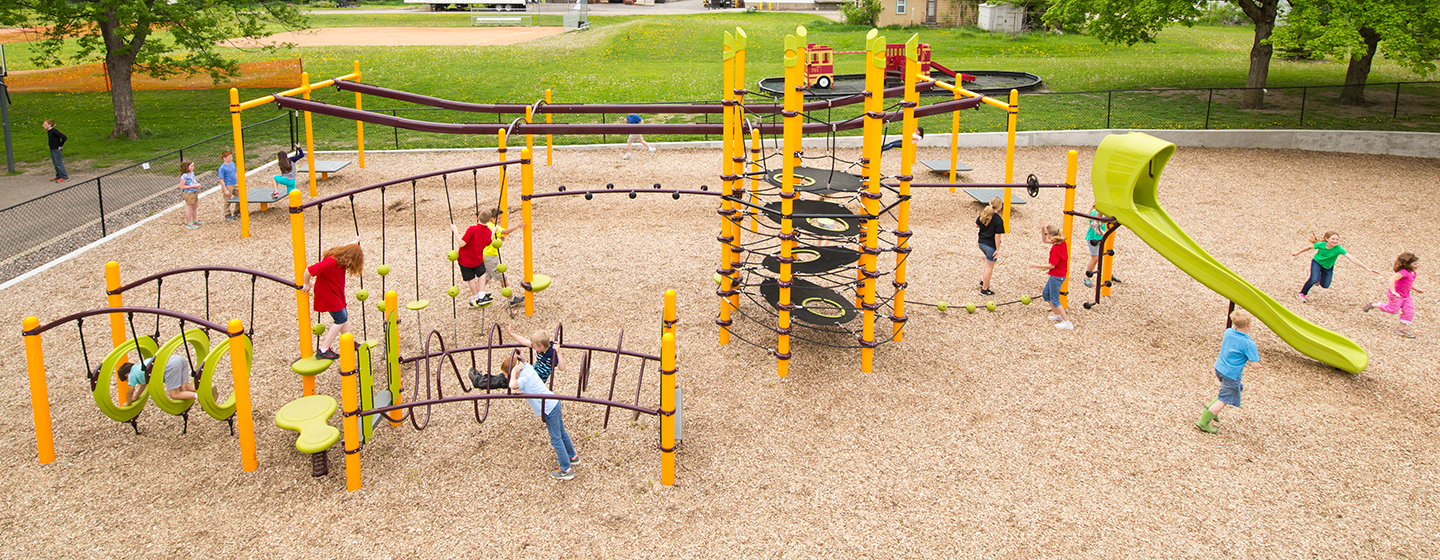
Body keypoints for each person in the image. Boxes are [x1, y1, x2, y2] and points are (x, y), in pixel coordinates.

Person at [504, 350, 577, 480]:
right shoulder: (528, 368)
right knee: (561, 431)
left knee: (556, 439)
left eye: (506, 374)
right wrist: (521, 360)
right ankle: (572, 456)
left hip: (549, 408)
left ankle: (566, 470)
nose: (506, 377)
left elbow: (512, 385)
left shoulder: (523, 378)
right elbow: (525, 363)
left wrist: (513, 373)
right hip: (554, 402)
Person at [1196, 310, 1260, 434]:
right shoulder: (1249, 343)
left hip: (1220, 368)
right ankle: (1204, 421)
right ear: (1249, 325)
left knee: (1232, 389)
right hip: (1231, 374)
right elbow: (1255, 364)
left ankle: (1212, 410)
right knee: (1226, 397)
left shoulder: (1229, 332)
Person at [303, 237, 364, 360]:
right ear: (348, 257)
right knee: (340, 319)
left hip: (336, 292)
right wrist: (306, 283)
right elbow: (308, 270)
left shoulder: (340, 257)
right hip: (328, 294)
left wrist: (354, 240)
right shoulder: (330, 262)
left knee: (344, 315)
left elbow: (345, 247)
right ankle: (324, 349)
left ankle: (349, 341)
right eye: (353, 261)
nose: (351, 264)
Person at [1292, 230, 1378, 302]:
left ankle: (1318, 279)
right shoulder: (1321, 245)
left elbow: (1352, 258)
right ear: (1327, 239)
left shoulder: (1338, 249)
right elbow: (1309, 247)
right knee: (1313, 278)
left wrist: (1367, 268)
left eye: (1337, 239)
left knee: (1325, 285)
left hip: (1328, 267)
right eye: (1333, 239)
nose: (1335, 241)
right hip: (1317, 262)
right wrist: (1298, 252)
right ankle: (1302, 293)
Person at [1363, 252, 1423, 338]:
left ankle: (1402, 329)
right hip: (1396, 295)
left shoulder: (1412, 272)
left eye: (1417, 263)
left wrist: (1416, 289)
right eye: (1415, 264)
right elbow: (1392, 279)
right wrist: (1393, 291)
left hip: (1406, 295)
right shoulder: (1403, 272)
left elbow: (1407, 283)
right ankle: (1373, 304)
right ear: (1407, 264)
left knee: (1409, 311)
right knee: (1392, 310)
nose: (1417, 265)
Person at [478, 208, 526, 306]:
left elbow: (493, 236)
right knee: (503, 278)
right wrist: (518, 226)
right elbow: (506, 231)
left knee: (486, 277)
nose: (500, 221)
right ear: (491, 218)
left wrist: (499, 237)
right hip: (491, 257)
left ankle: (478, 297)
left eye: (500, 218)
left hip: (485, 256)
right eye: (498, 219)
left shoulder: (487, 225)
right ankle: (512, 299)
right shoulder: (495, 227)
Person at [1029, 224, 1072, 330]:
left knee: (1054, 299)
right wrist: (1042, 229)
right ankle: (1057, 314)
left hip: (1057, 275)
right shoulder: (1060, 242)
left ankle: (1067, 322)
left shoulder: (1056, 248)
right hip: (1057, 274)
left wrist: (1035, 265)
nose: (1046, 235)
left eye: (1047, 234)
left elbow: (1051, 265)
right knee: (1046, 294)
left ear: (1052, 235)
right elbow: (1044, 241)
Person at [451, 212, 493, 308]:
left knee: (471, 279)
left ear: (478, 218)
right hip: (477, 259)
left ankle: (477, 297)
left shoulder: (472, 229)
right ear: (490, 220)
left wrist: (455, 230)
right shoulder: (488, 232)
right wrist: (493, 231)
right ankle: (481, 295)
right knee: (482, 275)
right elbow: (488, 242)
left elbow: (461, 244)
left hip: (464, 260)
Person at [123, 354, 197, 403]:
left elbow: (130, 391)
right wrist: (136, 397)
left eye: (127, 381)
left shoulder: (132, 375)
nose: (129, 381)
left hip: (171, 366)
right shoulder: (141, 367)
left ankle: (199, 397)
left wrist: (128, 403)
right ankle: (205, 389)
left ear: (127, 375)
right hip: (179, 359)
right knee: (184, 388)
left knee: (175, 394)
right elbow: (143, 385)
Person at [1081, 205, 1122, 287]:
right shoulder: (1094, 213)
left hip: (1102, 238)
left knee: (1105, 257)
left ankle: (1107, 274)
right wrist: (1105, 234)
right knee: (1095, 258)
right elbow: (1094, 227)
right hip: (1093, 238)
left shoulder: (1106, 214)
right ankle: (1087, 277)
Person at [975, 196, 1003, 296]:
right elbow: (997, 236)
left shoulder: (985, 214)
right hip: (990, 245)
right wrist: (998, 249)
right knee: (989, 267)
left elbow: (977, 225)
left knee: (987, 264)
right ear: (999, 206)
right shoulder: (998, 220)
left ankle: (983, 281)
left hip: (981, 242)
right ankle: (984, 289)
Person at [178, 161, 202, 229]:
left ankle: (194, 220)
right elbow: (182, 186)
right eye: (191, 166)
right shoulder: (184, 176)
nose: (193, 167)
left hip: (194, 192)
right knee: (189, 207)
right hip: (189, 193)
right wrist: (193, 186)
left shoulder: (192, 173)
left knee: (195, 206)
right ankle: (189, 223)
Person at [217, 151, 240, 222]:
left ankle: (237, 211)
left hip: (234, 183)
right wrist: (225, 190)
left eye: (231, 156)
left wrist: (238, 181)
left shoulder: (233, 164)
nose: (231, 158)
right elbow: (221, 180)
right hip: (228, 185)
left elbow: (236, 172)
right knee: (227, 200)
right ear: (224, 158)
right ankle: (227, 214)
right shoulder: (222, 168)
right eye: (229, 157)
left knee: (239, 197)